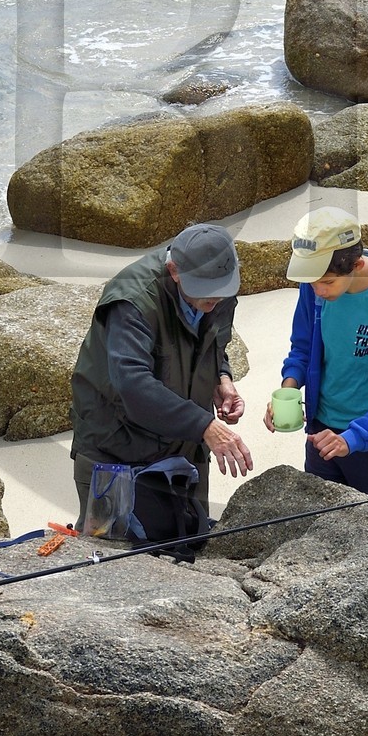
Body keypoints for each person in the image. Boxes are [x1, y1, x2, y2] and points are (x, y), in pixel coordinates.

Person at [69, 220, 253, 551]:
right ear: (174, 270)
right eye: (204, 288)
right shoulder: (133, 300)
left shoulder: (219, 287)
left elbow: (212, 344)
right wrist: (205, 424)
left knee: (190, 547)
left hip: (185, 445)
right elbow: (133, 385)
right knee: (117, 557)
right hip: (118, 451)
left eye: (222, 287)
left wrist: (221, 379)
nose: (215, 296)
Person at [265, 205, 368, 517]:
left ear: (355, 264)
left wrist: (352, 438)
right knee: (318, 530)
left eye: (326, 282)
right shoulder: (315, 283)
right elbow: (303, 347)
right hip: (323, 437)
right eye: (311, 280)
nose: (317, 289)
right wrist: (288, 388)